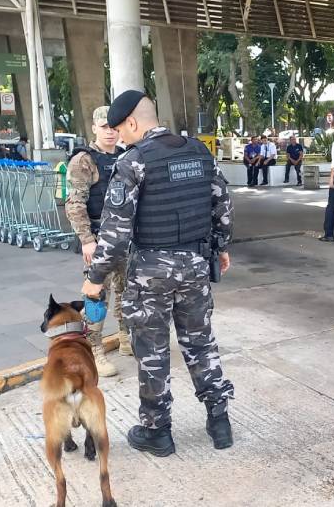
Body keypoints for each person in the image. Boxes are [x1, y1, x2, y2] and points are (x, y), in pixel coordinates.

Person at [82, 90, 235, 456]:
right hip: (196, 266)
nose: (119, 138)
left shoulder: (133, 162)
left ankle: (157, 431)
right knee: (201, 342)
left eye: (120, 130)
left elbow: (115, 232)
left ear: (132, 123)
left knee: (152, 350)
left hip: (150, 272)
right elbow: (223, 205)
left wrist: (96, 276)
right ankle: (220, 420)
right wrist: (220, 247)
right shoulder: (199, 152)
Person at [65, 106, 130, 377]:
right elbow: (74, 203)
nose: (110, 132)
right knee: (96, 296)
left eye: (114, 127)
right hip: (99, 239)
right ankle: (95, 349)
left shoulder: (127, 157)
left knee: (128, 292)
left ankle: (127, 339)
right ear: (94, 128)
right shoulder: (83, 160)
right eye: (105, 127)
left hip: (126, 238)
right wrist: (87, 240)